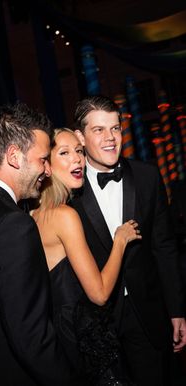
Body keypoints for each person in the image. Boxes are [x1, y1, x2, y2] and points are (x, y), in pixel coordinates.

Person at [0, 103, 87, 386]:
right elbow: (33, 338)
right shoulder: (15, 225)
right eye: (41, 160)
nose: (47, 171)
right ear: (14, 156)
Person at [71, 95, 186, 386]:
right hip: (95, 321)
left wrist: (177, 310)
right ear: (80, 137)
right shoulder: (67, 189)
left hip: (146, 312)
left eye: (115, 128)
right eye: (99, 130)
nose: (111, 138)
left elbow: (164, 247)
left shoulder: (147, 176)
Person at [31, 127, 141, 385]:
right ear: (46, 165)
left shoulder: (33, 215)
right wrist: (120, 240)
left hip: (61, 343)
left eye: (79, 152)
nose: (78, 159)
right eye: (65, 153)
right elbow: (100, 294)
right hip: (85, 346)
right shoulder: (64, 216)